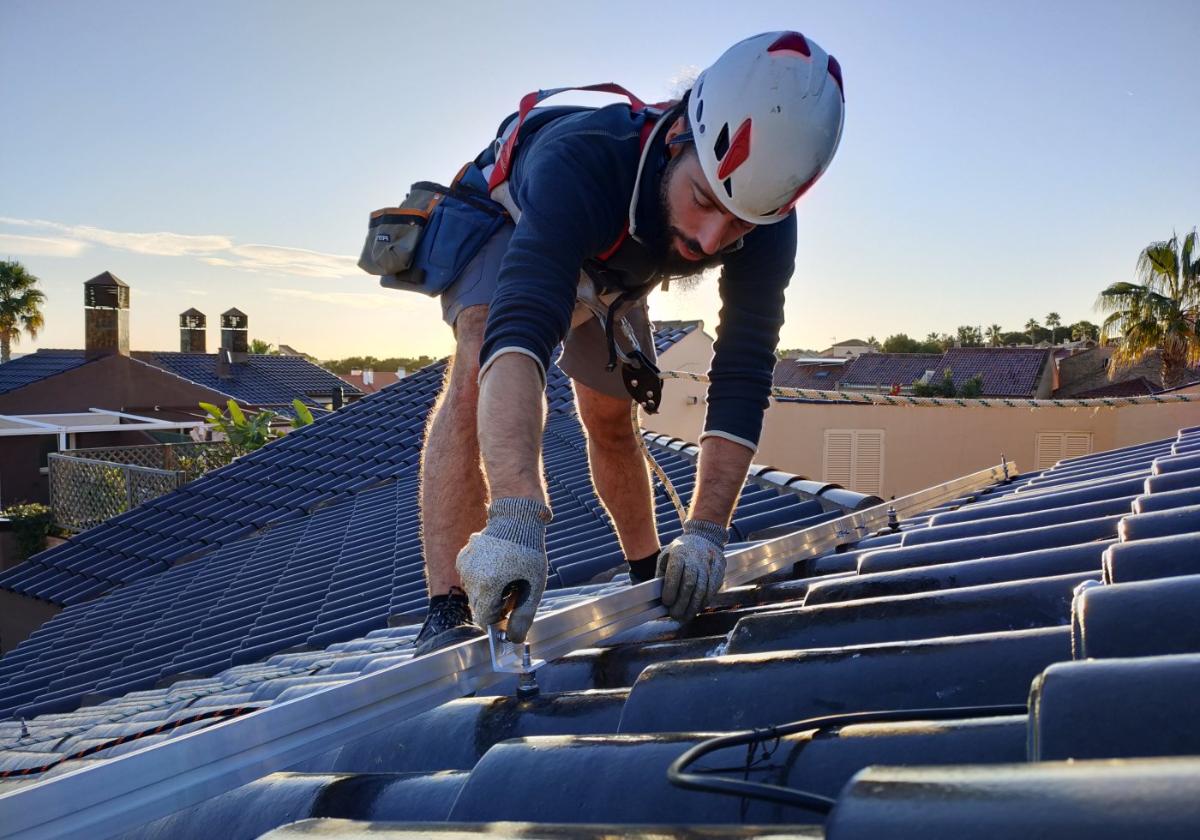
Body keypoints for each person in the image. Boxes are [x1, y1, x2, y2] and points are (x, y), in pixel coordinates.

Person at [414, 31, 845, 654]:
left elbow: (745, 367)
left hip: (621, 266)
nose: (707, 239)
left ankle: (649, 569)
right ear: (677, 137)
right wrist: (515, 512)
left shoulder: (767, 215)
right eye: (702, 198)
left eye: (738, 224)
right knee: (479, 358)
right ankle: (446, 606)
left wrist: (706, 532)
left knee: (611, 417)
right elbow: (524, 330)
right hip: (515, 224)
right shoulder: (584, 158)